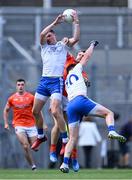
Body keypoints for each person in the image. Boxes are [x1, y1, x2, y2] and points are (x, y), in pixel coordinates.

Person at [60, 40, 126, 173]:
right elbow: (87, 56)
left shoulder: (67, 78)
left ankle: (65, 164)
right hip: (80, 100)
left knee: (72, 138)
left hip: (71, 105)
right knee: (109, 114)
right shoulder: (77, 68)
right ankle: (112, 130)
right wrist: (92, 45)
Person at [31, 11, 80, 153]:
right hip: (44, 81)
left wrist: (76, 22)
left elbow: (76, 38)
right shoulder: (44, 47)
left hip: (55, 82)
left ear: (54, 36)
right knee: (35, 111)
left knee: (54, 111)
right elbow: (40, 34)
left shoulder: (62, 46)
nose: (47, 37)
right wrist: (55, 22)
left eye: (50, 35)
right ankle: (40, 136)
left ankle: (65, 140)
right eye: (46, 36)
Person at [3, 79, 45, 170]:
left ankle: (32, 142)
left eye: (22, 84)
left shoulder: (31, 97)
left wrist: (43, 123)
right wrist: (6, 123)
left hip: (31, 125)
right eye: (18, 85)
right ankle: (33, 166)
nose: (20, 86)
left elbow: (38, 111)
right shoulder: (12, 98)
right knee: (25, 146)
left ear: (24, 86)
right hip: (19, 125)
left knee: (35, 148)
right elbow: (5, 110)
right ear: (16, 86)